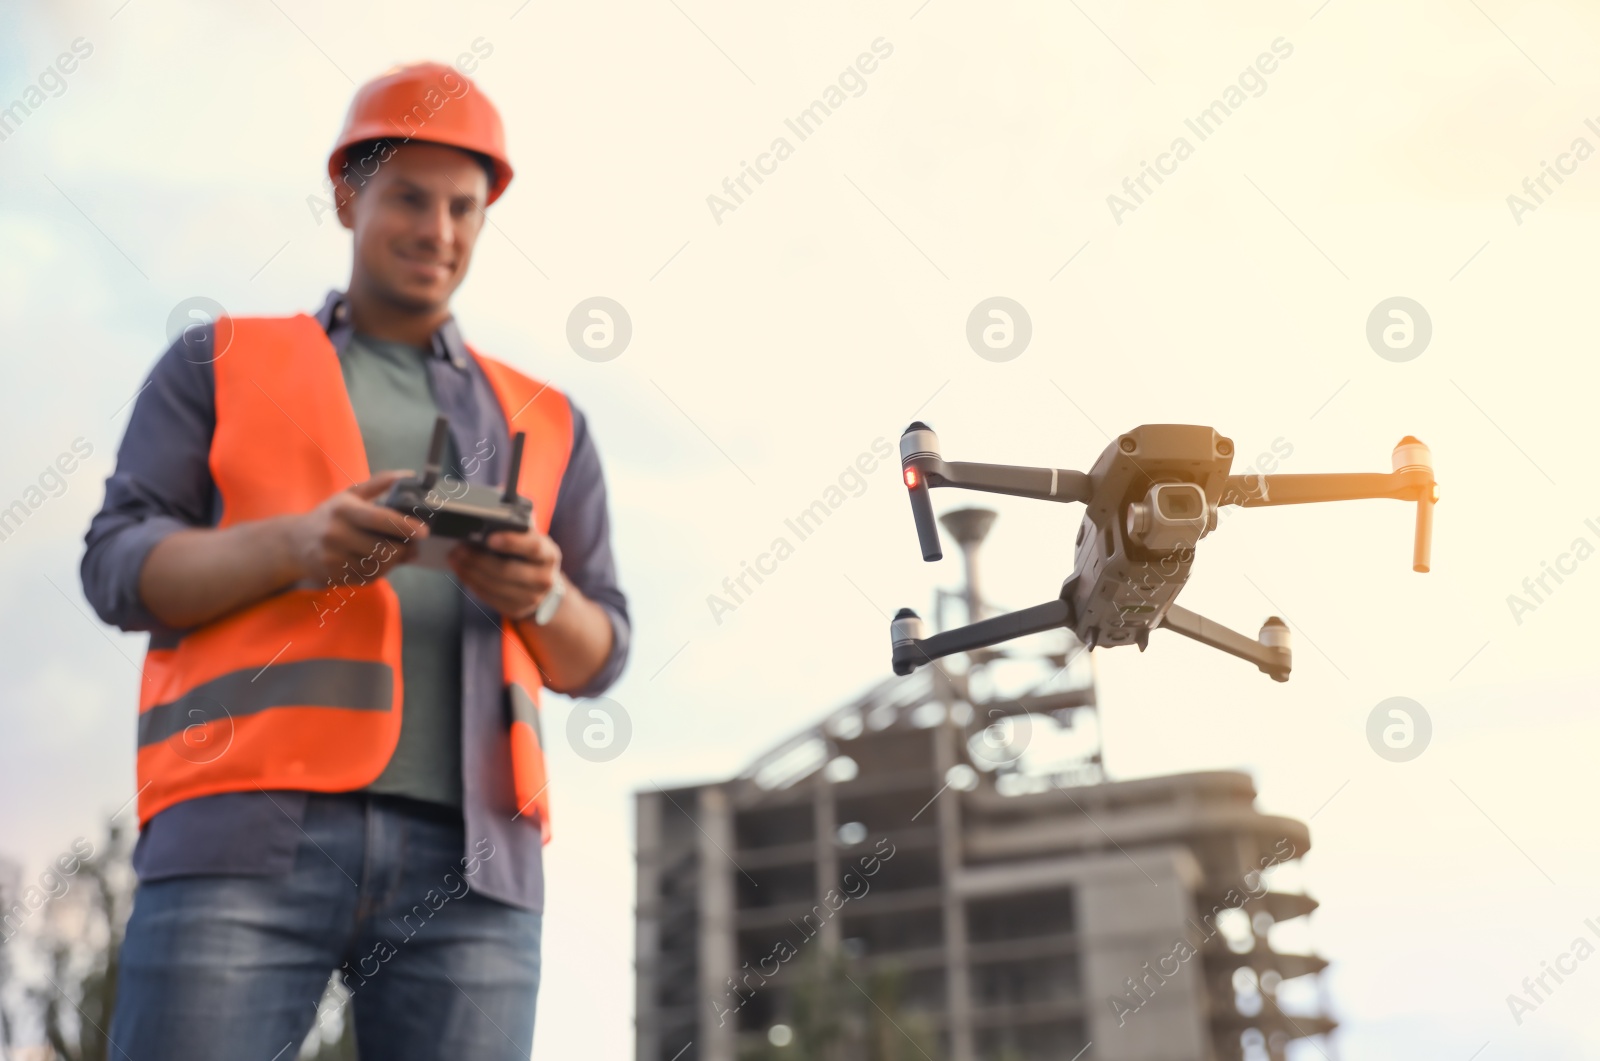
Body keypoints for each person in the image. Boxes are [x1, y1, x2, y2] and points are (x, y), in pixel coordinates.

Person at [80, 61, 629, 1059]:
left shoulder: (546, 420)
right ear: (346, 195)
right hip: (241, 830)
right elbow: (117, 565)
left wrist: (540, 592)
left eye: (464, 207)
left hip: (475, 864)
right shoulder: (218, 362)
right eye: (409, 198)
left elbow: (601, 653)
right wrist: (297, 545)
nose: (439, 231)